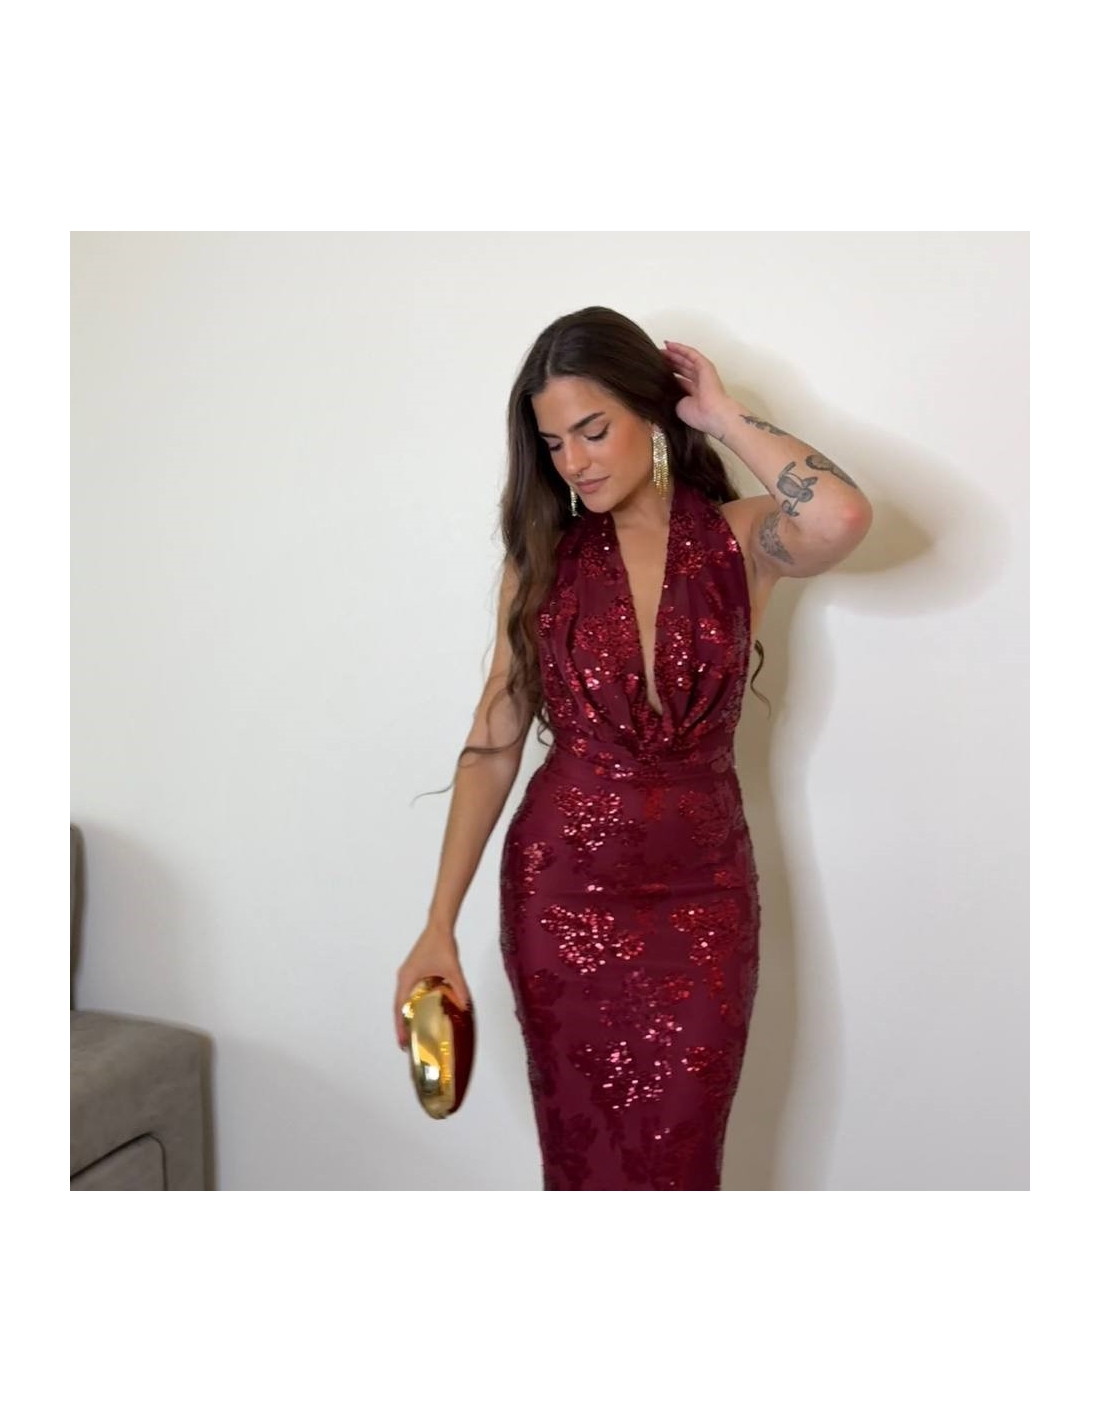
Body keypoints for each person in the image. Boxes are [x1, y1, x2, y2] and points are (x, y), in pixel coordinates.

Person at [394, 306, 872, 1189]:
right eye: (553, 444)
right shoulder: (541, 560)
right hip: (562, 897)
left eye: (593, 429)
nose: (574, 461)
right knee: (584, 1164)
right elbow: (493, 743)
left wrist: (722, 416)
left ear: (650, 414)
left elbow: (841, 516)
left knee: (683, 1164)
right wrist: (437, 926)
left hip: (704, 900)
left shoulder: (739, 538)